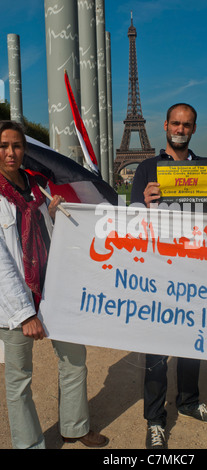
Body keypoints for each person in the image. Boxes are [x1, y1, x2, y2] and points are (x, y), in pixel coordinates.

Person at [0, 120, 108, 449]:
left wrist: (53, 212)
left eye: (17, 146)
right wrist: (24, 313)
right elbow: (1, 262)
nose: (10, 153)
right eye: (4, 146)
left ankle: (74, 427)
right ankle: (30, 445)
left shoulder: (36, 187)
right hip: (16, 303)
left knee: (74, 360)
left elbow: (47, 238)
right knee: (19, 381)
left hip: (53, 292)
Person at [130, 103, 207, 449]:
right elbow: (132, 221)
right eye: (176, 123)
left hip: (195, 268)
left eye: (187, 125)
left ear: (194, 129)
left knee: (192, 342)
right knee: (156, 349)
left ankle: (188, 401)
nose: (181, 129)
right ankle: (155, 419)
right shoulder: (146, 168)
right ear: (165, 126)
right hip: (158, 270)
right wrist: (145, 203)